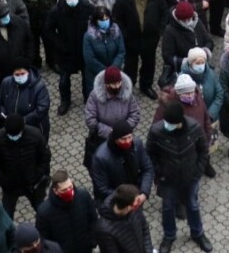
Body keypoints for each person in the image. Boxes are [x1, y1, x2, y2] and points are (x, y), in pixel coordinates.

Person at [145, 102, 213, 252]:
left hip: (190, 178)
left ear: (179, 122)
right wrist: (160, 173)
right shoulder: (157, 131)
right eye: (166, 122)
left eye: (170, 123)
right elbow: (149, 154)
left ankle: (198, 233)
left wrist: (197, 172)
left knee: (193, 206)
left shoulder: (194, 128)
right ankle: (169, 236)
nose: (167, 125)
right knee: (168, 208)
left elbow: (203, 150)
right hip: (168, 180)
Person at [0, 112, 51, 220]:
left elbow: (45, 156)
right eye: (10, 135)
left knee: (43, 212)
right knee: (6, 217)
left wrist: (37, 176)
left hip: (33, 184)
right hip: (10, 186)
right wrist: (2, 180)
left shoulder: (35, 135)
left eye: (16, 134)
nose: (14, 137)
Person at [35, 169, 97, 253]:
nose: (69, 192)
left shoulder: (83, 196)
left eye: (70, 187)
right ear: (55, 191)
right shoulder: (44, 212)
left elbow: (93, 218)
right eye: (64, 190)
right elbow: (44, 239)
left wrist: (92, 241)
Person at [90, 123, 155, 203]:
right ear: (115, 139)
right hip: (114, 202)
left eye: (129, 137)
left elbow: (147, 168)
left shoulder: (137, 144)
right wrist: (129, 198)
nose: (127, 141)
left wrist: (144, 193)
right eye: (123, 139)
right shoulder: (100, 157)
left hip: (135, 195)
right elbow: (102, 188)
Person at [93, 184, 154, 253]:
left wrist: (148, 250)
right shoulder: (104, 230)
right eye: (137, 203)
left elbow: (144, 228)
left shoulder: (134, 208)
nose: (139, 204)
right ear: (128, 207)